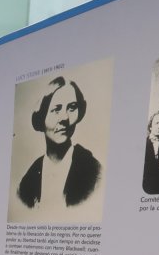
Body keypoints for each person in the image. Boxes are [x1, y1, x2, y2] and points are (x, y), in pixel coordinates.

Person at [16, 76, 102, 210]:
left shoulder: (93, 171)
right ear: (42, 116)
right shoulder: (27, 181)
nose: (65, 118)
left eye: (72, 108)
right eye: (56, 109)